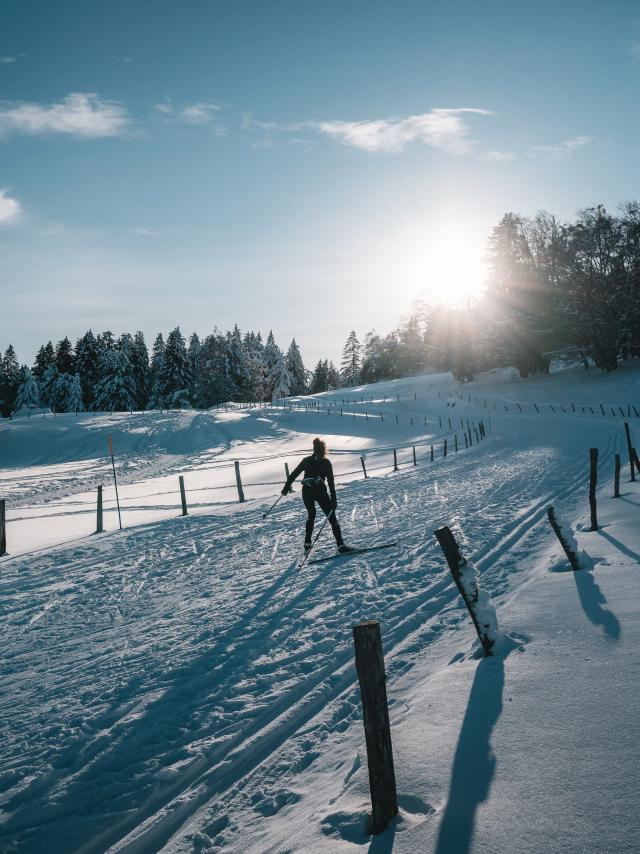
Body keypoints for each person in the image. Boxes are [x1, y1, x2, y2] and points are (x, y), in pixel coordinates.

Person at [282, 437, 352, 553]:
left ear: (314, 449)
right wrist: (334, 499)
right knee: (331, 516)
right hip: (320, 492)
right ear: (324, 450)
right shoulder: (326, 462)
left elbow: (293, 475)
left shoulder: (306, 460)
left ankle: (307, 543)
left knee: (311, 515)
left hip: (306, 491)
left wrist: (285, 489)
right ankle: (340, 545)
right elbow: (330, 482)